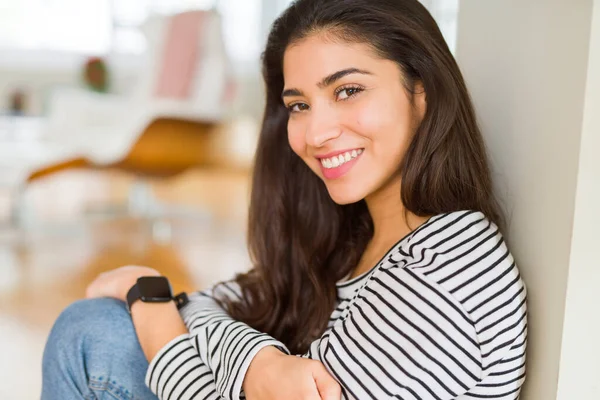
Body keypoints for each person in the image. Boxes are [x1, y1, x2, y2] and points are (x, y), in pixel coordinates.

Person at [41, 0, 527, 399]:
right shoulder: (352, 236)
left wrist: (151, 302)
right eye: (299, 105)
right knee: (97, 328)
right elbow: (213, 302)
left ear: (421, 92)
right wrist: (259, 362)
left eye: (349, 90)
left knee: (92, 332)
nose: (316, 133)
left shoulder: (443, 266)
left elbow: (186, 313)